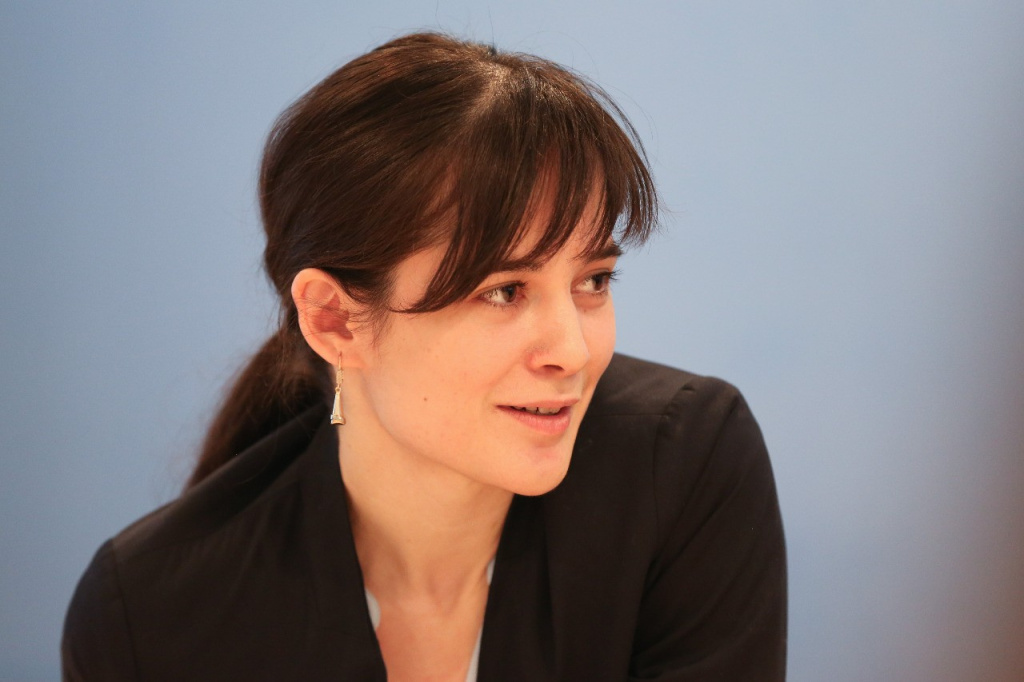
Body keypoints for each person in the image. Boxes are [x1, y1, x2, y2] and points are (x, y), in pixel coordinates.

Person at [62, 32, 786, 681]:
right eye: (504, 291)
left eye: (593, 281)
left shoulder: (683, 464)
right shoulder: (151, 617)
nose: (573, 351)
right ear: (335, 320)